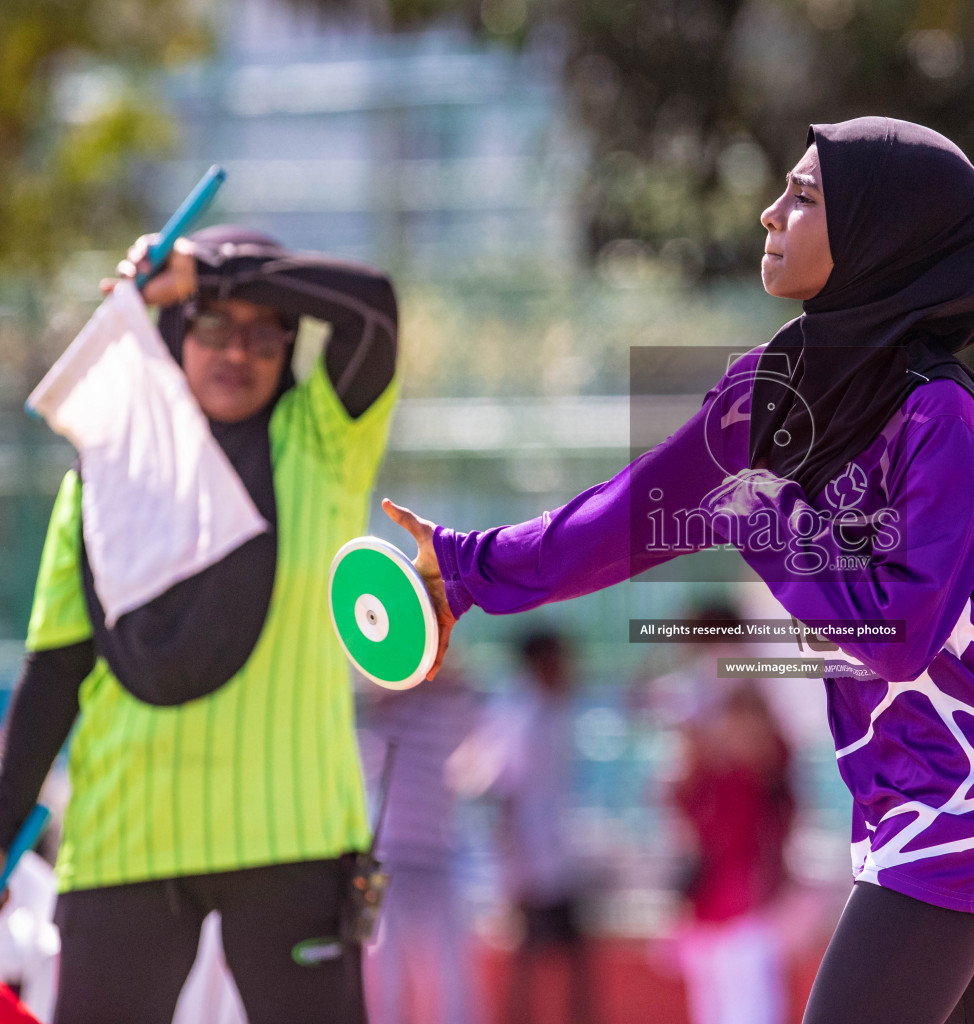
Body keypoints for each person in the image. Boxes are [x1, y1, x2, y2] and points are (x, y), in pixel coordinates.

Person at [385, 117, 974, 1024]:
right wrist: (468, 571)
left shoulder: (938, 413)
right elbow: (622, 519)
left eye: (805, 195)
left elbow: (901, 634)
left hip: (971, 782)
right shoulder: (768, 391)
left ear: (880, 236)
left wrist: (763, 513)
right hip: (908, 792)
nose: (769, 213)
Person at [0, 226, 398, 1023]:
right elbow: (54, 675)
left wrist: (207, 271)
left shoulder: (320, 440)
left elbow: (372, 309)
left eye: (264, 332)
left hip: (293, 841)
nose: (237, 352)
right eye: (211, 323)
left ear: (289, 346)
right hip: (124, 843)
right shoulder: (105, 471)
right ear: (177, 333)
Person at [451, 630, 594, 1024]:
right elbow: (505, 797)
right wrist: (515, 869)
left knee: (563, 957)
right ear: (540, 663)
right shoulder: (521, 716)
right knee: (541, 957)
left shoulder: (547, 710)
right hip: (533, 860)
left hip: (553, 855)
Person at [360, 661, 481, 1024]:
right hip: (397, 858)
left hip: (425, 855)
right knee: (393, 974)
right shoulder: (390, 716)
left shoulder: (430, 709)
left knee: (447, 974)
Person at [672, 681, 795, 1024]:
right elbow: (685, 813)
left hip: (748, 915)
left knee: (753, 1011)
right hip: (709, 913)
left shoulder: (767, 780)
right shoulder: (715, 777)